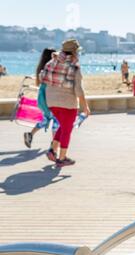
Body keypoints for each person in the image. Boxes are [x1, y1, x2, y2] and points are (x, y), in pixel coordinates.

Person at [41, 39, 90, 168]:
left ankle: (52, 151)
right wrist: (85, 108)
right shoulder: (75, 66)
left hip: (51, 102)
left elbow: (43, 78)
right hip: (67, 103)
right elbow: (79, 90)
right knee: (67, 130)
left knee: (63, 126)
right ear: (75, 52)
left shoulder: (52, 61)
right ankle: (61, 159)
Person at [24, 48, 60, 149]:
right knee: (56, 120)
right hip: (50, 97)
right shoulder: (51, 68)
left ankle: (30, 135)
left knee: (47, 119)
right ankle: (54, 146)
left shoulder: (41, 67)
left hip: (42, 98)